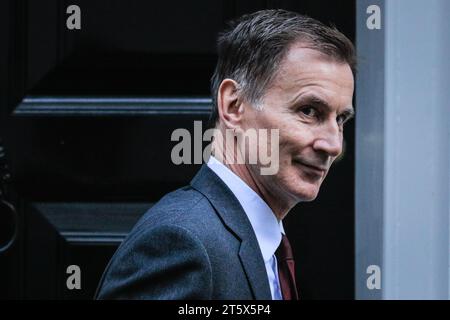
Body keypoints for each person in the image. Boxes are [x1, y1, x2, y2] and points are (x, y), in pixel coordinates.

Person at [95, 9, 355, 300]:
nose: (333, 145)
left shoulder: (258, 242)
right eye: (308, 111)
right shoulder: (183, 243)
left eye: (341, 119)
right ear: (233, 105)